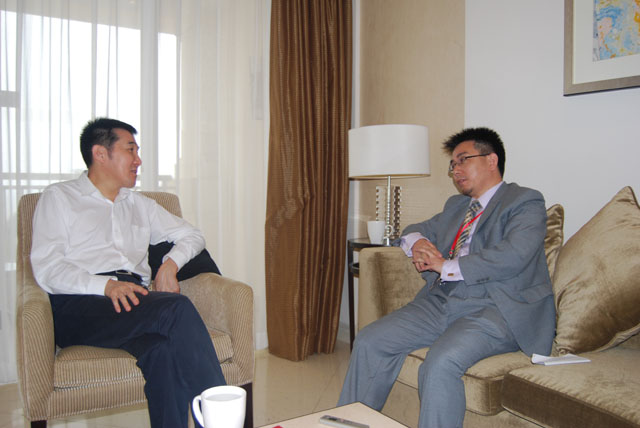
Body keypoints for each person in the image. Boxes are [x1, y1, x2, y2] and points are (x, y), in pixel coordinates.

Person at [338, 127, 556, 428]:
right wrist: (418, 242)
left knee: (440, 363)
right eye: (453, 164)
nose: (455, 171)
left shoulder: (525, 201)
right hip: (441, 301)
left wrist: (446, 266)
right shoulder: (457, 206)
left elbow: (515, 254)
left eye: (463, 160)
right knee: (370, 340)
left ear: (491, 160)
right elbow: (414, 229)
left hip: (495, 307)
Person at [30, 118, 226, 428]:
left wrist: (170, 265)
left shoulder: (139, 204)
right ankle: (224, 420)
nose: (138, 160)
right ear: (100, 154)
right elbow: (47, 268)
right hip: (81, 304)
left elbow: (192, 235)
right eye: (130, 150)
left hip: (133, 301)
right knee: (176, 309)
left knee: (162, 352)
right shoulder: (59, 198)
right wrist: (105, 286)